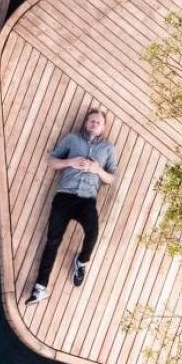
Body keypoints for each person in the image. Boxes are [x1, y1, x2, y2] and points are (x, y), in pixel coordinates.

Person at [26, 109, 118, 305]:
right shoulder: (72, 139)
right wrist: (70, 162)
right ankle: (40, 288)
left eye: (98, 122)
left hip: (87, 200)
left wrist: (97, 169)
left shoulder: (108, 148)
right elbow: (51, 161)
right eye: (91, 120)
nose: (94, 124)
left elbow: (110, 178)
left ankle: (81, 261)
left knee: (93, 234)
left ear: (103, 127)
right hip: (64, 197)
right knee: (52, 241)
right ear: (85, 122)